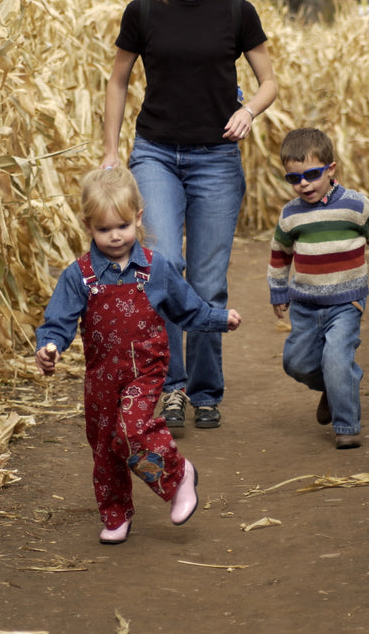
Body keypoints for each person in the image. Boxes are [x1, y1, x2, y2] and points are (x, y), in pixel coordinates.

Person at [103, 0, 277, 431]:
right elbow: (118, 80)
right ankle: (172, 388)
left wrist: (248, 111)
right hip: (155, 151)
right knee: (163, 267)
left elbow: (269, 81)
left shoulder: (236, 13)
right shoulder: (143, 12)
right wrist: (111, 151)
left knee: (207, 281)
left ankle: (205, 392)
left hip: (216, 160)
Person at [35, 168, 241, 544]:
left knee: (130, 430)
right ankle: (115, 513)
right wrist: (49, 347)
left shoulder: (155, 268)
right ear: (88, 226)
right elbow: (58, 321)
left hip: (144, 370)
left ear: (139, 218)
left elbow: (187, 308)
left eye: (123, 225)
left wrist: (217, 319)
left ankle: (179, 477)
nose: (115, 236)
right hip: (100, 376)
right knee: (104, 445)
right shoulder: (78, 276)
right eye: (103, 229)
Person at [267, 128, 369, 449]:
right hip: (305, 305)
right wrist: (277, 291)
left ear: (331, 169)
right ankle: (334, 387)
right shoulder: (291, 215)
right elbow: (279, 253)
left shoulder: (354, 206)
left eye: (312, 175)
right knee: (296, 363)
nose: (303, 184)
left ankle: (347, 426)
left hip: (347, 302)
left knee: (337, 360)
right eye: (294, 178)